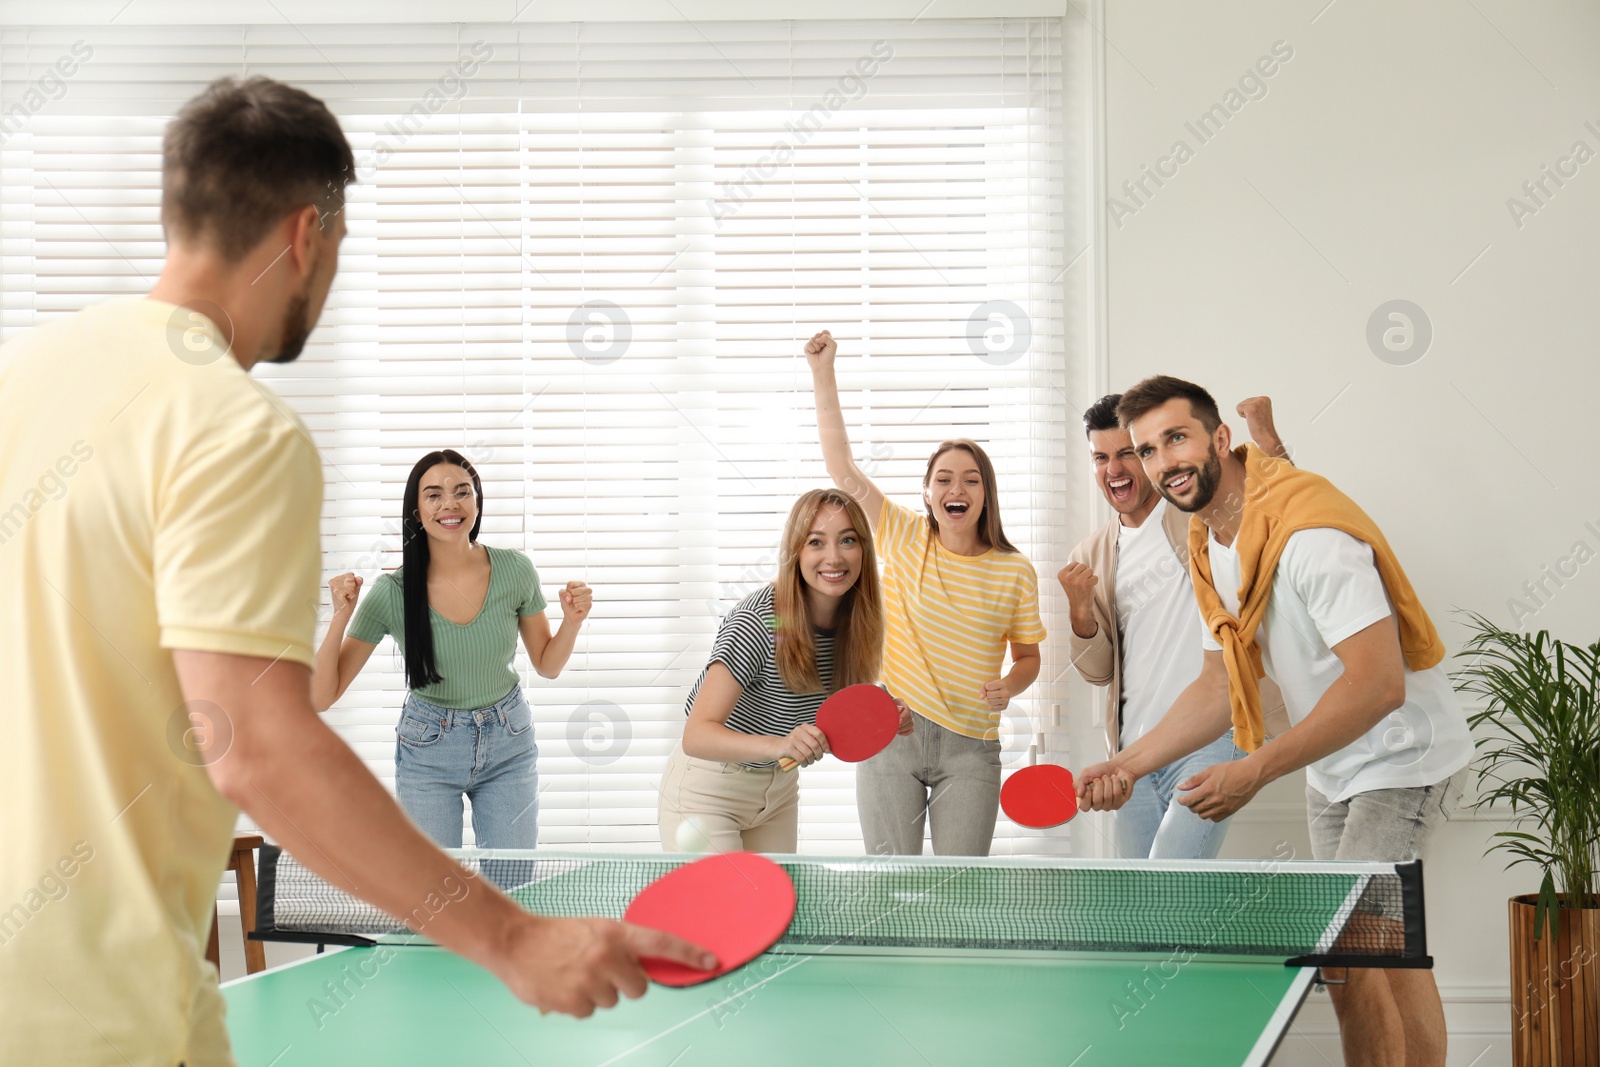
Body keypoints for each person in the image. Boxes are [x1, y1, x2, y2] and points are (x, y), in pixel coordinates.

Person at [0, 76, 710, 1066]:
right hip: (99, 1018)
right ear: (305, 235)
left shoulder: (20, 376)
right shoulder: (231, 427)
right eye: (336, 248)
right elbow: (255, 744)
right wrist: (513, 936)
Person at [1078, 375, 1471, 1067]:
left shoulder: (1310, 535)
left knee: (1358, 945)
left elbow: (1378, 684)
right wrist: (1127, 764)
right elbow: (1215, 684)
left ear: (1218, 438)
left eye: (1176, 437)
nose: (1161, 460)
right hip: (1334, 764)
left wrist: (1256, 767)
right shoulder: (1209, 543)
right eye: (1146, 448)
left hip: (1401, 752)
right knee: (1364, 954)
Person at [806, 329, 1047, 856]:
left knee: (958, 896)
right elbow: (842, 469)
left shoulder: (1015, 572)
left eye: (970, 480)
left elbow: (1028, 657)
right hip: (892, 737)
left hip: (971, 749)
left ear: (986, 494)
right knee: (892, 889)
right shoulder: (905, 536)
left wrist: (1011, 685)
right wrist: (824, 373)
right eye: (943, 479)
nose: (955, 489)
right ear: (928, 493)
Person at [311, 450, 590, 848]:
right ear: (416, 509)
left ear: (477, 502)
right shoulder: (393, 593)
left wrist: (573, 621)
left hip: (508, 741)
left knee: (511, 889)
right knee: (431, 892)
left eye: (463, 492)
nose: (450, 504)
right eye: (434, 495)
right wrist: (340, 616)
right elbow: (322, 696)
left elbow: (547, 665)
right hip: (429, 751)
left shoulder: (516, 570)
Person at [1059, 392, 1292, 859]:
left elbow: (1279, 514)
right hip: (1135, 751)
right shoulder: (1090, 554)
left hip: (1214, 732)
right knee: (1144, 904)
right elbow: (1099, 672)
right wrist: (1080, 612)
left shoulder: (1196, 512)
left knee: (1173, 871)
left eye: (1127, 452)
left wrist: (1270, 441)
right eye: (1101, 458)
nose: (1115, 469)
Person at [659, 488, 897, 853]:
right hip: (708, 790)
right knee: (725, 910)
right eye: (816, 542)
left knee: (778, 910)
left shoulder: (858, 625)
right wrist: (782, 744)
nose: (833, 557)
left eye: (847, 540)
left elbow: (826, 730)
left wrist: (884, 721)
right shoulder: (759, 621)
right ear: (795, 553)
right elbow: (696, 735)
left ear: (864, 549)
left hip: (778, 791)